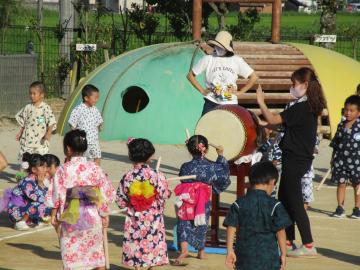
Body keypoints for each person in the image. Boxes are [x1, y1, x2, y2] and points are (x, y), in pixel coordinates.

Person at [256, 67, 326, 257]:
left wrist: (261, 103)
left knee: (294, 201)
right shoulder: (307, 105)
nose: (291, 87)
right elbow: (282, 125)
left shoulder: (301, 106)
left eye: (294, 84)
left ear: (304, 85)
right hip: (296, 157)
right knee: (286, 198)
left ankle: (309, 244)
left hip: (296, 158)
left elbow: (273, 117)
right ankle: (287, 240)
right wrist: (265, 124)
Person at [50, 129, 115, 270]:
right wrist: (104, 214)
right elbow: (104, 193)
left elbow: (57, 194)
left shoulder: (63, 170)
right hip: (92, 215)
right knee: (96, 257)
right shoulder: (95, 168)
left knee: (72, 258)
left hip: (71, 216)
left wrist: (54, 214)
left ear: (68, 148)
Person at [224, 161, 291, 270]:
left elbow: (231, 227)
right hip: (268, 258)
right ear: (272, 182)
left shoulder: (239, 204)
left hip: (244, 257)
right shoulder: (275, 205)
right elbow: (280, 232)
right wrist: (283, 253)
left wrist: (230, 250)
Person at [174, 135, 230, 265]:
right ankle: (201, 251)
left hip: (187, 198)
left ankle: (183, 250)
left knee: (184, 221)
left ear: (189, 150)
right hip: (202, 199)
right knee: (202, 222)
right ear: (205, 149)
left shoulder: (185, 166)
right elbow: (224, 175)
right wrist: (221, 156)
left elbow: (183, 179)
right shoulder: (210, 167)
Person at [116, 138, 171, 269]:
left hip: (134, 217)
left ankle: (137, 267)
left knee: (136, 244)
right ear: (150, 156)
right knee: (153, 244)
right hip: (153, 218)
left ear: (130, 155)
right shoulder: (156, 175)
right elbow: (164, 194)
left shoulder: (128, 176)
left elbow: (120, 200)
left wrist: (128, 204)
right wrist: (169, 193)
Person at [187, 31, 258, 116]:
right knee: (205, 128)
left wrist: (240, 92)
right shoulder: (208, 59)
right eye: (217, 46)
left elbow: (253, 77)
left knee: (229, 128)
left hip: (230, 103)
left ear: (227, 48)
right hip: (211, 102)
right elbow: (190, 75)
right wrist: (202, 90)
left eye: (221, 47)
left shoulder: (237, 60)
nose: (218, 48)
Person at [330, 95, 360, 219]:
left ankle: (357, 208)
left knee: (357, 185)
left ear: (358, 113)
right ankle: (340, 207)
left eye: (351, 111)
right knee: (341, 184)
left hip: (357, 162)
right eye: (346, 110)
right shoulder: (341, 125)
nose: (348, 113)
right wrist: (333, 158)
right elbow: (336, 143)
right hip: (341, 161)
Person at [6, 153, 51, 230]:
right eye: (43, 167)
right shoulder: (28, 182)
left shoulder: (37, 178)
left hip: (24, 208)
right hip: (15, 211)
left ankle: (34, 220)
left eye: (46, 167)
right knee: (39, 203)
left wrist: (44, 183)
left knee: (50, 205)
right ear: (33, 169)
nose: (45, 169)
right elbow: (39, 198)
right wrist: (41, 184)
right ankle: (21, 222)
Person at [15, 81, 57, 161]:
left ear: (41, 95)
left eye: (34, 94)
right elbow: (24, 122)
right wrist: (20, 132)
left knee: (41, 160)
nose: (32, 96)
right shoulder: (27, 107)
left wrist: (49, 133)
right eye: (30, 93)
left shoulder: (45, 108)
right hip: (28, 139)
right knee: (25, 161)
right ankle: (22, 173)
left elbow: (51, 121)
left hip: (40, 141)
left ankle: (40, 173)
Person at [68, 84, 103, 165]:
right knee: (83, 160)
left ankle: (95, 173)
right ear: (86, 98)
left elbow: (99, 122)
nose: (97, 100)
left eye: (98, 97)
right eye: (95, 97)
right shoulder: (78, 109)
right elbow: (72, 123)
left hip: (94, 141)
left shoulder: (95, 109)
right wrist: (75, 137)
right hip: (83, 141)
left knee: (97, 157)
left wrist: (99, 127)